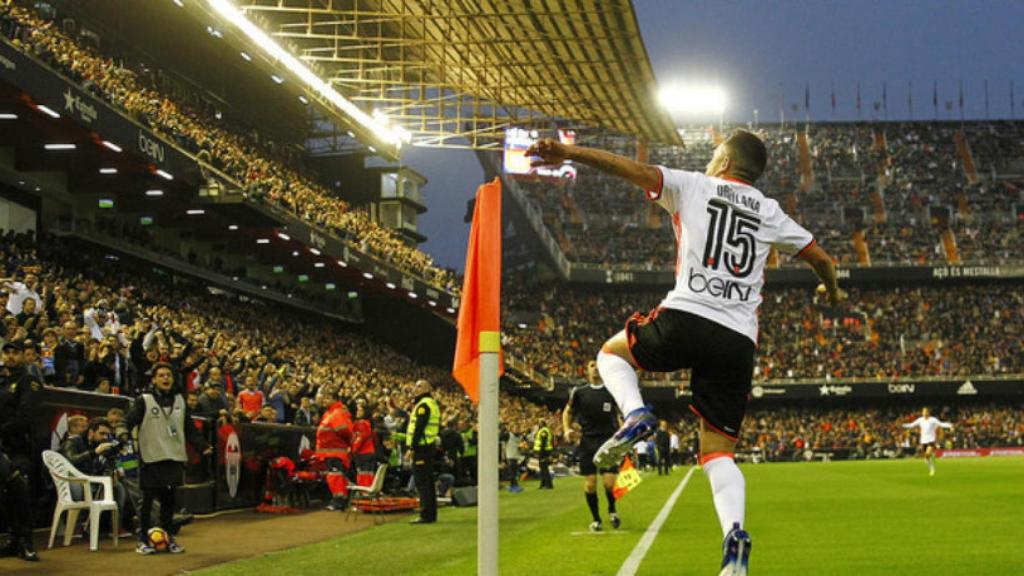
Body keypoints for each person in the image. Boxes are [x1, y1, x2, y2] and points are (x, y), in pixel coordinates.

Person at [527, 130, 846, 576]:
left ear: (724, 161)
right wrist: (831, 292)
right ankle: (734, 538)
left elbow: (625, 168)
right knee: (718, 453)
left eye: (716, 154)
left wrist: (567, 152)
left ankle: (637, 414)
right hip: (737, 339)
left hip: (688, 315)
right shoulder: (770, 211)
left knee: (612, 356)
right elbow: (823, 260)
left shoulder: (693, 184)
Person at [124, 362, 211, 555]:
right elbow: (128, 421)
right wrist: (122, 435)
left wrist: (203, 445)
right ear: (154, 379)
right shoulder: (144, 400)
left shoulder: (180, 400)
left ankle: (168, 537)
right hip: (151, 456)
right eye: (161, 375)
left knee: (169, 501)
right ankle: (143, 539)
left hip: (174, 456)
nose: (166, 378)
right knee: (146, 501)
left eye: (168, 375)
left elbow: (189, 428)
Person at [563, 360, 621, 532]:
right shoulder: (579, 392)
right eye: (591, 365)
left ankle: (612, 509)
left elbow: (618, 415)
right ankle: (596, 519)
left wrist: (623, 435)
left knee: (609, 484)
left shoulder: (611, 390)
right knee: (590, 485)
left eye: (598, 365)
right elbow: (568, 411)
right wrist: (566, 429)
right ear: (586, 370)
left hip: (608, 441)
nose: (595, 368)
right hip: (587, 441)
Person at [0, 341, 39, 561]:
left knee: (20, 492)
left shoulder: (28, 380)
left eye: (15, 353)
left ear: (23, 356)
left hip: (19, 446)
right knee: (5, 496)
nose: (11, 356)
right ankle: (13, 539)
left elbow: (26, 416)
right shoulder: (2, 380)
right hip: (1, 446)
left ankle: (26, 541)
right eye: (7, 352)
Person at [406, 379, 440, 524]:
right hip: (427, 446)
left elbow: (419, 428)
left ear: (427, 389)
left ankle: (425, 515)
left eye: (419, 386)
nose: (416, 388)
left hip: (421, 448)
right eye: (416, 385)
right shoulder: (430, 404)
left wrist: (412, 448)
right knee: (428, 482)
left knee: (422, 483)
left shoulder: (423, 405)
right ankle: (430, 514)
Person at [315, 390, 353, 511]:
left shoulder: (337, 412)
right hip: (330, 451)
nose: (324, 401)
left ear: (334, 399)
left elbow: (344, 431)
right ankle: (339, 500)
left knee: (336, 476)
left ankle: (339, 502)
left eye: (327, 398)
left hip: (335, 451)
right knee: (335, 476)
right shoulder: (330, 412)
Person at [901, 408, 954, 477]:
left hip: (931, 440)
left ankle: (932, 469)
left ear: (928, 413)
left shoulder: (933, 420)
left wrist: (950, 425)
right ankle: (929, 463)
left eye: (925, 412)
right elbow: (912, 425)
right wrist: (903, 425)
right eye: (923, 412)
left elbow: (941, 424)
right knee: (926, 456)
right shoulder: (920, 420)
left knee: (928, 453)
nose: (924, 413)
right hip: (923, 440)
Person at [533, 422, 554, 490]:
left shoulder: (543, 431)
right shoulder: (543, 430)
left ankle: (548, 485)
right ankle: (543, 484)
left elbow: (543, 443)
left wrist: (541, 454)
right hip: (544, 451)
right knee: (542, 469)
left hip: (544, 452)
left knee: (544, 469)